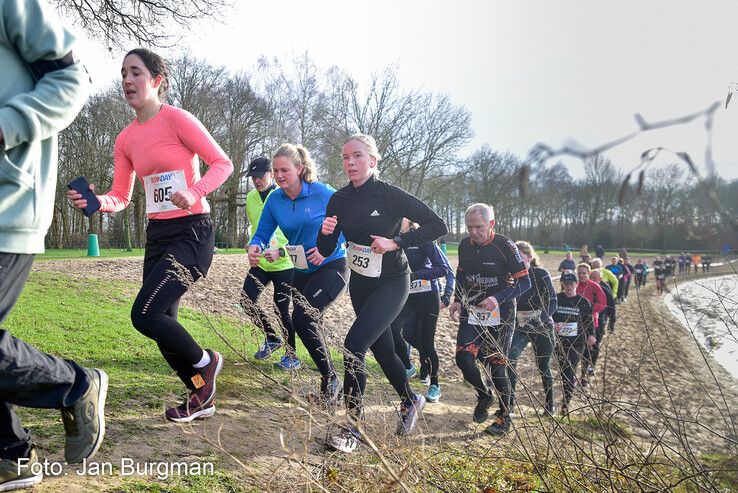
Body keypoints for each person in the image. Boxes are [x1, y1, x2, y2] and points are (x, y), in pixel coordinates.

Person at [69, 48, 233, 423]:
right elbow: (122, 196)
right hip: (158, 234)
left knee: (145, 313)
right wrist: (96, 202)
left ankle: (207, 363)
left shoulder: (177, 119)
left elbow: (223, 163)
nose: (127, 80)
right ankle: (200, 393)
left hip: (192, 231)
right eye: (123, 73)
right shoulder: (125, 139)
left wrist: (195, 191)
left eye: (136, 73)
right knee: (163, 324)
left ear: (157, 81)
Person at [1, 1, 107, 489]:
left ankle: (74, 385)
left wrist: (5, 126)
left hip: (8, 204)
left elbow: (71, 83)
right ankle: (10, 454)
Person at [318, 134, 447, 453]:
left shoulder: (390, 195)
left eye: (357, 156)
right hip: (361, 282)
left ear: (373, 161)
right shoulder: (338, 199)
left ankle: (353, 427)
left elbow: (437, 225)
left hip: (392, 280)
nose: (349, 163)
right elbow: (325, 248)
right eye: (345, 158)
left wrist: (397, 242)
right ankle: (410, 400)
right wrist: (324, 234)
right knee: (383, 350)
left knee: (353, 346)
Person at [248, 144, 347, 404]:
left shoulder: (323, 193)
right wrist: (255, 245)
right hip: (300, 269)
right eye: (276, 171)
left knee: (302, 319)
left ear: (300, 169)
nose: (279, 176)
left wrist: (328, 249)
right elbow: (262, 232)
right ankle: (331, 387)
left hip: (331, 265)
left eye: (285, 170)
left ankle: (331, 380)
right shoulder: (275, 200)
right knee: (311, 323)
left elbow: (351, 225)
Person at [448, 203, 531, 436]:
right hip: (472, 310)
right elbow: (462, 273)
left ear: (491, 224)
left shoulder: (505, 246)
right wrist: (457, 298)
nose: (473, 232)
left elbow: (525, 283)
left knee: (497, 367)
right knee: (463, 358)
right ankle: (484, 395)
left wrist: (498, 297)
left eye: (479, 227)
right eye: (469, 227)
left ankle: (505, 417)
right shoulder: (465, 244)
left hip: (501, 313)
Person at [242, 157, 298, 369]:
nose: (256, 181)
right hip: (262, 263)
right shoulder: (250, 198)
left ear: (271, 174)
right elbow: (255, 227)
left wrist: (282, 251)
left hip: (285, 264)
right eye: (253, 177)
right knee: (247, 299)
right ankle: (272, 338)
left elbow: (297, 230)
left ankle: (292, 356)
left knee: (281, 309)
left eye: (260, 176)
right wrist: (251, 244)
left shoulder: (284, 196)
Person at [389, 220, 452, 403]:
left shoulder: (423, 239)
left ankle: (434, 384)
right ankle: (409, 366)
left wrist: (416, 275)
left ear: (408, 222)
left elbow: (443, 269)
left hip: (428, 295)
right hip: (407, 294)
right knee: (396, 329)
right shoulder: (394, 241)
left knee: (427, 342)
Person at [508, 241, 558, 417]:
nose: (518, 262)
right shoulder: (511, 278)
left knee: (543, 365)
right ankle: (509, 404)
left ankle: (550, 404)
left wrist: (540, 319)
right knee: (509, 357)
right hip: (520, 327)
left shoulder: (540, 274)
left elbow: (553, 301)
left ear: (530, 257)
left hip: (542, 326)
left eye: (521, 258)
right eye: (515, 259)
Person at [553, 273, 595, 415]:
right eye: (566, 284)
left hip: (576, 342)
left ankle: (566, 402)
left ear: (577, 284)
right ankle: (569, 386)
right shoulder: (556, 299)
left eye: (571, 284)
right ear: (562, 285)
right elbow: (548, 316)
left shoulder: (583, 302)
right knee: (563, 368)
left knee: (569, 370)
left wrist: (592, 335)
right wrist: (552, 325)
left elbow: (589, 322)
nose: (569, 287)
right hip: (559, 341)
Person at [574, 263, 606, 387]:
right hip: (575, 322)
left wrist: (590, 309)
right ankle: (572, 375)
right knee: (576, 349)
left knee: (587, 350)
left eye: (584, 273)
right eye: (579, 273)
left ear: (588, 273)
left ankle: (584, 376)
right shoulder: (574, 285)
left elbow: (602, 303)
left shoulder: (595, 286)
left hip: (591, 322)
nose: (581, 275)